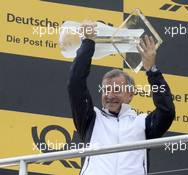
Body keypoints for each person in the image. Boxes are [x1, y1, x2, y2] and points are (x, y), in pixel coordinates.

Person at [67, 21, 175, 175]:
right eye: (106, 90)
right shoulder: (91, 119)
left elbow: (167, 112)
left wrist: (152, 70)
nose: (110, 96)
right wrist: (88, 42)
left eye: (117, 90)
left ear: (130, 94)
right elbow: (75, 84)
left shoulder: (143, 123)